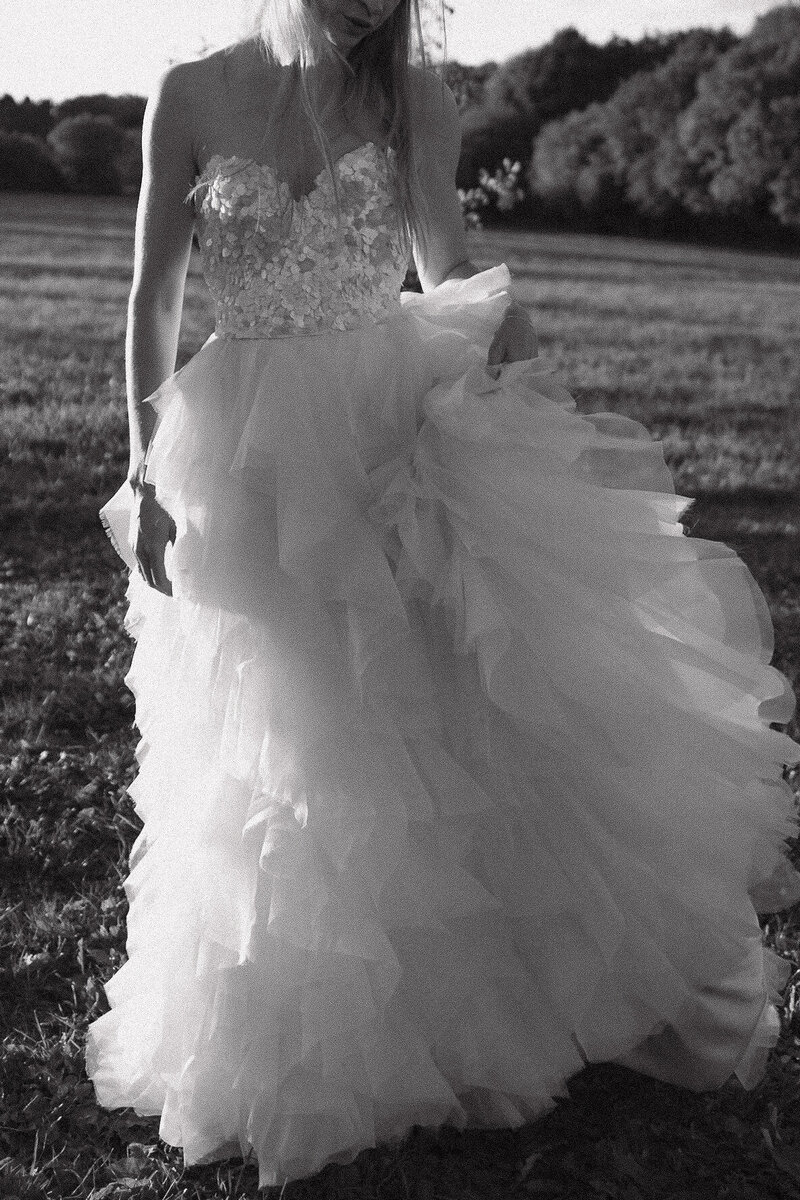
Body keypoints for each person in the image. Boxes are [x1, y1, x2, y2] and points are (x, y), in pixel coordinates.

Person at [86, 0, 800, 1189]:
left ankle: (502, 1010)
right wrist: (141, 466)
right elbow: (154, 295)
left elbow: (440, 263)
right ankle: (326, 1039)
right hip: (248, 445)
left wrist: (506, 347)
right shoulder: (191, 91)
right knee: (295, 735)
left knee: (443, 713)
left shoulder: (412, 94)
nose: (370, 2)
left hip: (388, 421)